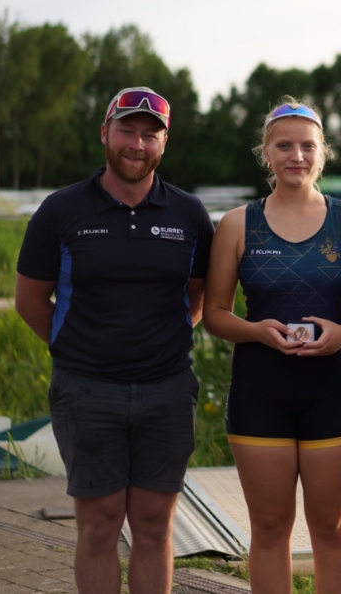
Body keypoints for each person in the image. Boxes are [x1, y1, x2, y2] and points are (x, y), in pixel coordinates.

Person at [14, 87, 214, 594]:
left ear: (164, 145)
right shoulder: (61, 210)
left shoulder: (189, 215)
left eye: (151, 135)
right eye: (127, 129)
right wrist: (75, 349)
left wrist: (157, 347)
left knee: (153, 526)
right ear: (105, 133)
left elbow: (197, 300)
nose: (137, 143)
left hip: (166, 390)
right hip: (86, 390)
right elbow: (31, 301)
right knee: (99, 526)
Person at [202, 98, 341, 594]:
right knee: (271, 529)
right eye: (284, 145)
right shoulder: (237, 224)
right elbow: (214, 314)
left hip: (334, 388)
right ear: (266, 152)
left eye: (307, 146)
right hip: (261, 389)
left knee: (331, 528)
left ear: (323, 152)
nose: (296, 156)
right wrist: (257, 331)